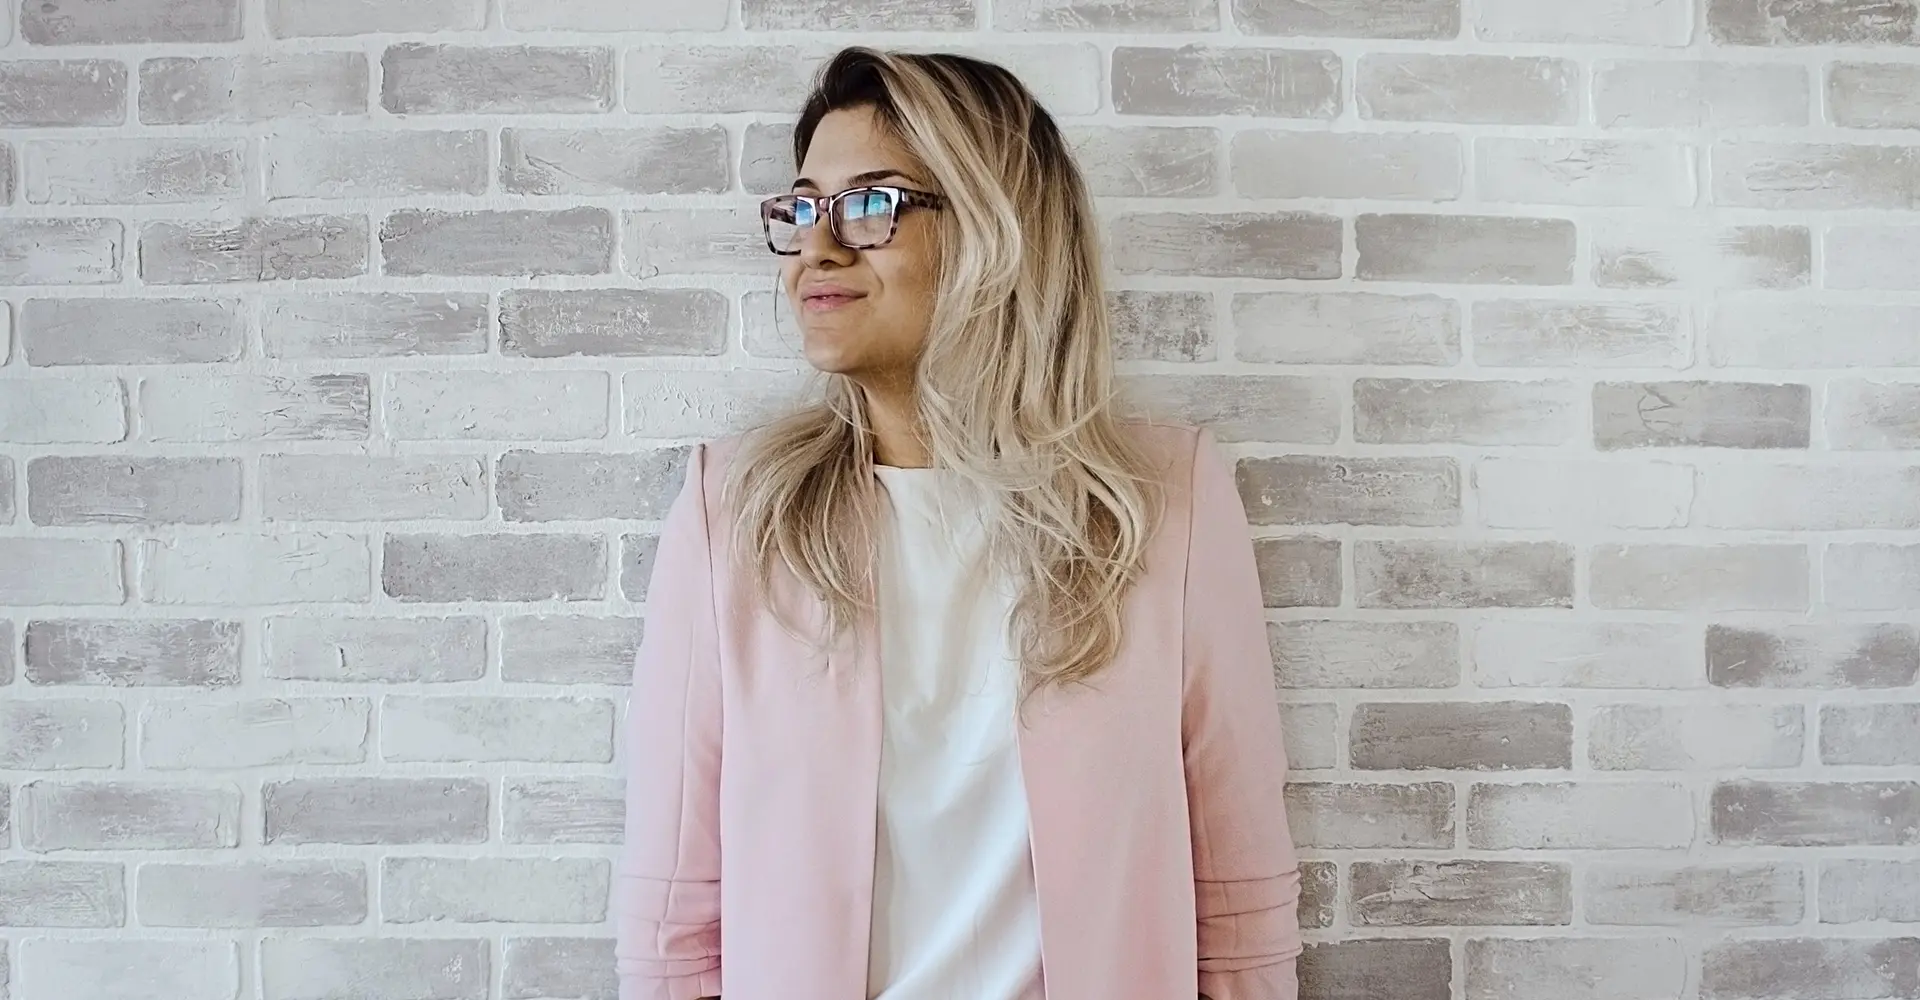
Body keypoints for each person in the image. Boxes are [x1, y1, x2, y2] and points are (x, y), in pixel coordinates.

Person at [615, 46, 1303, 1000]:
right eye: (804, 207)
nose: (818, 247)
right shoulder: (733, 514)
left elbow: (1237, 905)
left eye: (871, 204)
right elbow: (674, 921)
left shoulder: (1167, 505)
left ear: (996, 229)